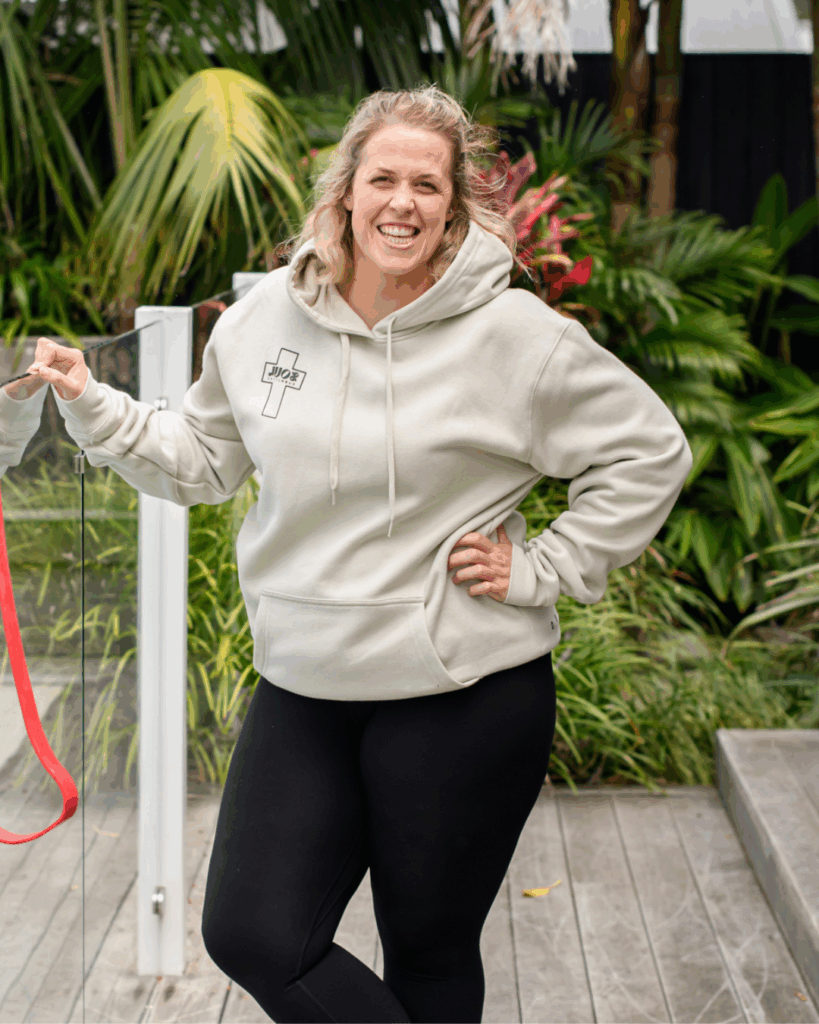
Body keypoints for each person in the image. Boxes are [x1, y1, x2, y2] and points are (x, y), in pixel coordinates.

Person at [1, 84, 693, 1023]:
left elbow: (647, 452)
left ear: (454, 207)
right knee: (252, 934)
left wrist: (544, 567)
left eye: (426, 185)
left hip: (461, 692)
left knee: (427, 952)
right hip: (303, 681)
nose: (401, 203)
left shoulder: (517, 338)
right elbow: (203, 460)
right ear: (346, 190)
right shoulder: (261, 322)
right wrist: (92, 402)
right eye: (383, 179)